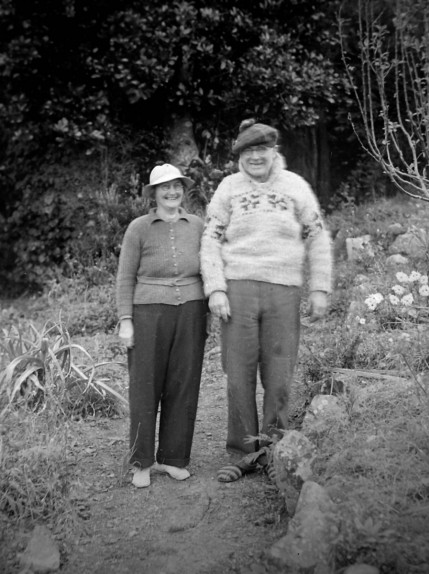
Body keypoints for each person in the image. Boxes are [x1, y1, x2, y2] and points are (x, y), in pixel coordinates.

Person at [200, 119, 332, 482]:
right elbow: (210, 240)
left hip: (283, 291)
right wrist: (216, 288)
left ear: (274, 152)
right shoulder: (228, 188)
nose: (256, 157)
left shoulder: (295, 187)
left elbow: (317, 237)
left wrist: (319, 287)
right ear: (239, 156)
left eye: (262, 150)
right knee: (238, 374)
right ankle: (243, 452)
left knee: (279, 375)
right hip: (238, 290)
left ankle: (273, 450)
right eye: (248, 151)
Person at [116, 163, 208, 488]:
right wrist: (126, 320)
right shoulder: (138, 228)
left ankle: (173, 458)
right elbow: (125, 277)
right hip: (147, 314)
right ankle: (141, 461)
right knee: (144, 386)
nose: (171, 192)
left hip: (192, 312)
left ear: (184, 190)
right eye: (164, 188)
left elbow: (210, 266)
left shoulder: (197, 224)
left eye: (177, 187)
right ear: (153, 193)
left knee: (184, 384)